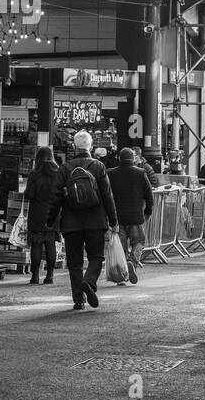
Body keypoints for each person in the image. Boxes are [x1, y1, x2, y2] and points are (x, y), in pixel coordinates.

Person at [48, 130, 118, 310]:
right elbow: (107, 195)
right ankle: (89, 282)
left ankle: (78, 299)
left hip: (71, 223)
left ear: (74, 146)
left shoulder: (64, 168)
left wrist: (50, 220)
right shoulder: (98, 166)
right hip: (96, 220)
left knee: (74, 263)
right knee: (96, 256)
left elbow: (55, 197)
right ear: (91, 146)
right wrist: (113, 220)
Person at [108, 147, 154, 285]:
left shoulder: (111, 173)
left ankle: (121, 278)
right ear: (133, 158)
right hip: (135, 217)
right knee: (139, 242)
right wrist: (148, 211)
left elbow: (106, 195)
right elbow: (149, 194)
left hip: (118, 218)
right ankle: (132, 263)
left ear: (119, 158)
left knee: (120, 248)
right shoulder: (140, 173)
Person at [23, 146, 63, 284]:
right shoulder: (58, 172)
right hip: (53, 213)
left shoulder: (34, 174)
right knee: (50, 244)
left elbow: (29, 194)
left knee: (37, 244)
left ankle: (35, 276)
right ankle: (50, 275)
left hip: (37, 214)